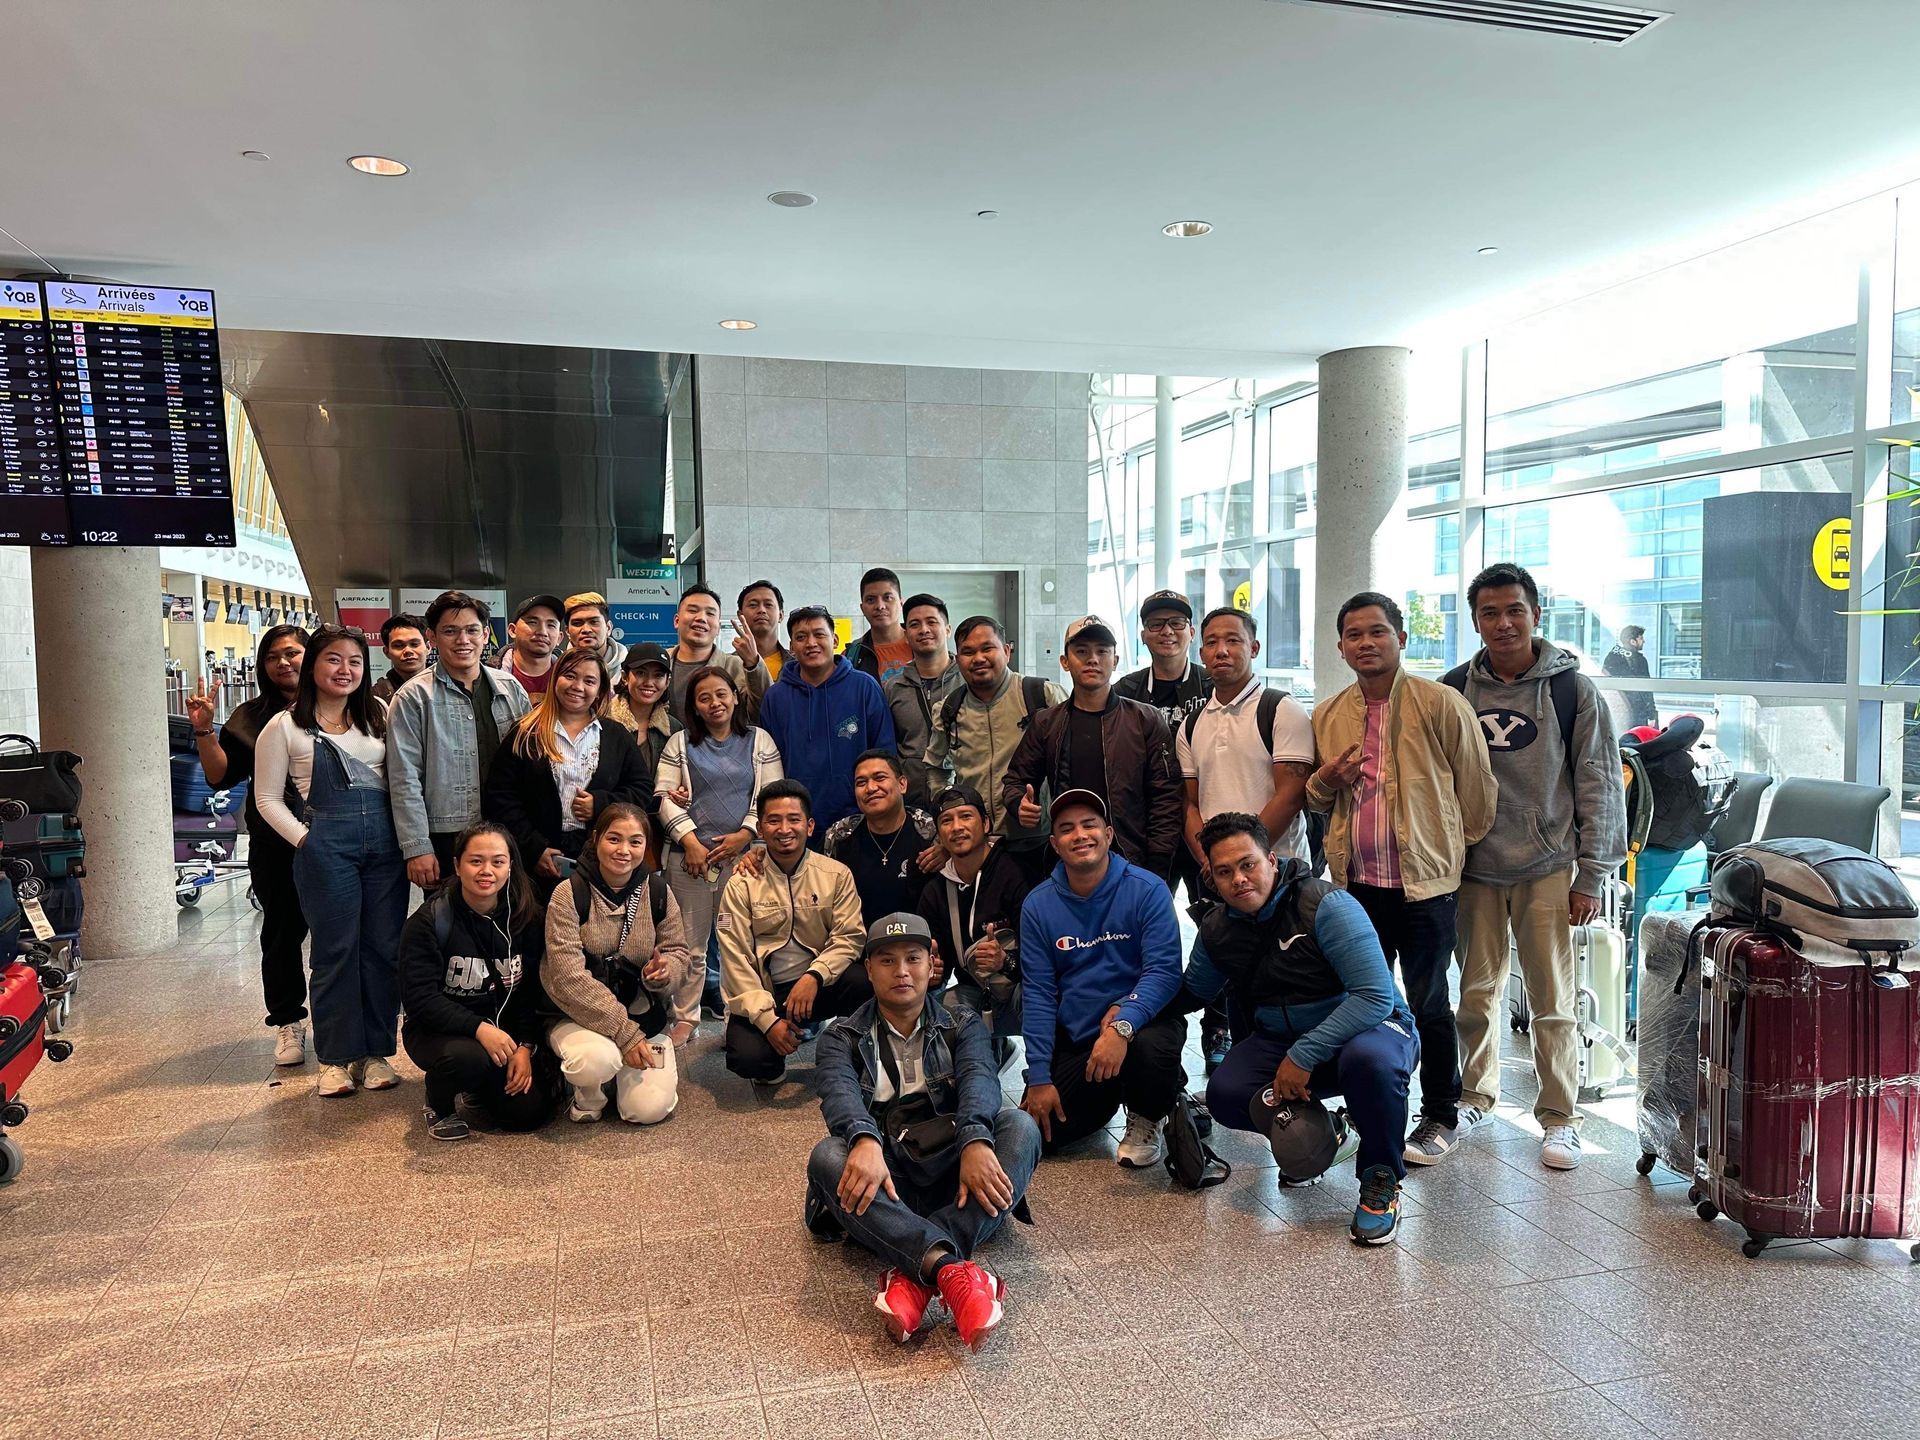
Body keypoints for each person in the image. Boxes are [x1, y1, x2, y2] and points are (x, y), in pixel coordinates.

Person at [1448, 563, 1627, 1171]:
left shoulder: (1574, 692)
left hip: (1547, 865)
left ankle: (1560, 1117)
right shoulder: (1453, 691)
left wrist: (1592, 875)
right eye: (1490, 613)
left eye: (1514, 610)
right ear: (1475, 622)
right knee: (1475, 994)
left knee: (1553, 1001)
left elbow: (1601, 784)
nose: (1503, 623)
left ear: (1535, 615)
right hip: (1472, 870)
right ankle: (1476, 1097)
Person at [1307, 592, 1496, 1166]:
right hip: (1357, 886)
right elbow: (1317, 798)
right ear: (1341, 647)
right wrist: (1325, 779)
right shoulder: (1331, 713)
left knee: (1429, 999)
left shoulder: (1441, 703)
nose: (1366, 643)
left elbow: (1478, 793)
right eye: (1354, 635)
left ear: (1402, 638)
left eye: (1378, 632)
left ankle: (1440, 1113)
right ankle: (1369, 1107)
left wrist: (1444, 848)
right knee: (1361, 998)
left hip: (1424, 889)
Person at [806, 912, 1040, 1350]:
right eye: (887, 961)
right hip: (887, 1177)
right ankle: (952, 1271)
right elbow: (839, 1095)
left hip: (954, 1167)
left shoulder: (962, 1022)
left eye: (913, 958)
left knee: (1020, 1127)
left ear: (931, 964)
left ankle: (917, 1268)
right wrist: (864, 1138)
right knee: (827, 1157)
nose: (901, 972)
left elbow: (980, 1079)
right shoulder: (841, 1036)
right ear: (869, 969)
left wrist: (974, 1139)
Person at [1186, 812, 1419, 1245]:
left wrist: (1303, 1054)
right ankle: (1325, 1132)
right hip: (1285, 1040)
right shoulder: (1217, 930)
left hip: (1371, 1029)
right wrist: (1127, 1014)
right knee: (1226, 1093)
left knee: (1372, 1064)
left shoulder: (1327, 906)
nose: (1238, 879)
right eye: (1224, 872)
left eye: (1247, 864)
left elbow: (1373, 997)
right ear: (1212, 879)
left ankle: (1380, 1180)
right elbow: (1189, 993)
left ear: (1272, 860)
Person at [254, 624, 410, 1099]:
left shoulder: (379, 715)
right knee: (334, 951)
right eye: (334, 660)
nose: (346, 670)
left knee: (382, 949)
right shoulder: (283, 726)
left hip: (386, 851)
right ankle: (336, 1059)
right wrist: (306, 841)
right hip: (326, 851)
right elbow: (266, 800)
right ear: (313, 667)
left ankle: (377, 1053)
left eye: (355, 662)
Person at [1017, 789, 1186, 1167]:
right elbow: (1040, 994)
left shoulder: (1148, 890)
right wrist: (1041, 1076)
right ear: (1055, 844)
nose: (1080, 835)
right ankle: (1116, 1087)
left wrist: (1123, 1024)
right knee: (1045, 1135)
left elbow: (1164, 971)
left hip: (1142, 1022)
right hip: (1079, 1034)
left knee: (1152, 1049)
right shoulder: (1038, 905)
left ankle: (1149, 1110)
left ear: (1108, 835)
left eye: (1089, 825)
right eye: (1067, 829)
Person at [188, 624, 311, 1065]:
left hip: (337, 839)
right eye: (274, 656)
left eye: (293, 653)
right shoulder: (251, 716)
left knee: (343, 937)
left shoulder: (338, 706)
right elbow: (221, 775)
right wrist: (203, 731)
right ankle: (287, 1022)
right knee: (281, 933)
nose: (284, 662)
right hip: (276, 841)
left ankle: (347, 1027)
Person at [398, 822, 556, 1139]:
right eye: (475, 861)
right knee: (467, 1059)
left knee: (527, 1114)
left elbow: (530, 991)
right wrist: (479, 1029)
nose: (487, 871)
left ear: (511, 866)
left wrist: (525, 1046)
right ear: (457, 865)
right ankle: (439, 1103)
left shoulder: (526, 918)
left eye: (498, 861)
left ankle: (480, 1086)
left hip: (505, 1036)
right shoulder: (429, 922)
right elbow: (420, 1000)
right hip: (440, 1032)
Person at [655, 664, 784, 1044]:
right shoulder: (679, 743)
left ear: (735, 696)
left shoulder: (759, 740)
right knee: (690, 944)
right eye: (704, 698)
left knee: (738, 943)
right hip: (689, 861)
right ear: (693, 706)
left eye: (721, 694)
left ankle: (738, 1014)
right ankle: (685, 1017)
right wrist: (690, 841)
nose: (714, 703)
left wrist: (745, 835)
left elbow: (771, 796)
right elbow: (662, 797)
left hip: (742, 858)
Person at [542, 803, 693, 1124]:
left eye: (635, 842)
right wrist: (625, 1034)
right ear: (596, 839)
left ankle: (624, 1072)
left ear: (646, 847)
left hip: (640, 1011)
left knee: (646, 1110)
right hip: (577, 1013)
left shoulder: (658, 891)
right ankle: (589, 1094)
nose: (624, 850)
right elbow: (568, 977)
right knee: (594, 1060)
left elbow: (679, 953)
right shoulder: (568, 894)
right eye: (614, 839)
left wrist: (664, 973)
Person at [1002, 615, 1182, 882]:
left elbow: (1165, 797)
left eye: (1102, 651)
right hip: (1068, 858)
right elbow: (1015, 779)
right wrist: (1019, 803)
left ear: (1115, 660)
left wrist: (1157, 867)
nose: (1093, 659)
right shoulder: (1046, 723)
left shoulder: (1145, 719)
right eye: (1081, 652)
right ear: (1065, 661)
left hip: (1133, 859)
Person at [717, 779, 870, 1083]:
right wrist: (767, 1020)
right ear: (760, 829)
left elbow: (849, 936)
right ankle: (776, 1047)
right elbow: (735, 960)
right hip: (768, 992)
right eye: (773, 820)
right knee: (749, 1059)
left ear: (809, 826)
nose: (784, 828)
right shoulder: (742, 883)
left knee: (866, 982)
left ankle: (851, 1048)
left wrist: (815, 975)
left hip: (820, 984)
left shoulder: (835, 875)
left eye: (793, 819)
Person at [386, 591, 532, 887]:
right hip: (447, 835)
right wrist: (417, 847)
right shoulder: (413, 697)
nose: (462, 640)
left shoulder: (510, 689)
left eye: (471, 630)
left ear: (486, 633)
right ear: (432, 637)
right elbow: (404, 778)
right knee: (450, 923)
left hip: (508, 828)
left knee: (511, 916)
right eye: (450, 631)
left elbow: (531, 762)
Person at [483, 647, 652, 900]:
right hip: (536, 863)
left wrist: (601, 804)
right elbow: (500, 797)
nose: (578, 686)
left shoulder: (616, 736)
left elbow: (642, 790)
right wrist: (534, 848)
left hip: (600, 860)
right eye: (570, 676)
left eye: (589, 681)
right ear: (555, 679)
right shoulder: (526, 733)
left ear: (600, 690)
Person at [1177, 607, 1316, 865]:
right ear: (1201, 654)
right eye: (1211, 642)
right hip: (1220, 872)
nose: (1221, 650)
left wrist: (1240, 858)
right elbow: (1190, 805)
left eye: (1233, 640)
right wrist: (1211, 862)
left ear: (1254, 648)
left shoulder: (1281, 709)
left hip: (1280, 872)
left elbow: (1291, 796)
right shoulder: (1190, 725)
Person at [925, 616, 1064, 872]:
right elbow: (936, 769)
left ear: (1007, 651)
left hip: (1040, 840)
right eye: (968, 652)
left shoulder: (1042, 696)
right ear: (958, 660)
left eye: (987, 648)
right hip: (978, 845)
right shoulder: (948, 710)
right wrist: (949, 817)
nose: (978, 658)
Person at [757, 606, 897, 837]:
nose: (811, 643)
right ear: (791, 647)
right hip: (797, 824)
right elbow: (769, 764)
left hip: (859, 819)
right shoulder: (776, 697)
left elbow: (884, 753)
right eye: (801, 637)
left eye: (819, 635)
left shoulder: (864, 687)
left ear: (834, 640)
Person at [916, 785, 1030, 1053]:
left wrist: (1006, 961)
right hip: (974, 993)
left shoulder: (1016, 875)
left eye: (966, 816)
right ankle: (990, 1057)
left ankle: (1040, 1079)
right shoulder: (935, 890)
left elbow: (1045, 960)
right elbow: (935, 960)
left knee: (1041, 998)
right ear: (939, 833)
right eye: (946, 820)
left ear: (986, 823)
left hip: (1021, 989)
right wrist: (933, 974)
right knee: (934, 1020)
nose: (957, 827)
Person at [823, 750, 940, 925]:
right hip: (858, 945)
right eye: (861, 782)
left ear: (902, 784)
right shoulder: (839, 836)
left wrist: (949, 853)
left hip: (921, 943)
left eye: (879, 778)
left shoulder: (931, 831)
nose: (870, 788)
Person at [885, 593, 963, 809]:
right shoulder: (894, 687)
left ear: (947, 630)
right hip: (911, 802)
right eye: (914, 624)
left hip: (964, 799)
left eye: (932, 622)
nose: (924, 630)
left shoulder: (968, 681)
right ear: (907, 635)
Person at [663, 584, 771, 725]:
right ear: (676, 621)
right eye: (693, 610)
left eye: (710, 613)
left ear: (718, 627)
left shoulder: (736, 666)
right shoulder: (659, 663)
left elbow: (764, 711)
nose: (701, 618)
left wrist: (754, 664)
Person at [605, 642, 679, 798]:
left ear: (667, 682)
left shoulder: (674, 729)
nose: (649, 682)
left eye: (658, 675)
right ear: (625, 677)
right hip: (611, 815)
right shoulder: (604, 721)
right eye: (640, 673)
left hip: (659, 817)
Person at [844, 566, 914, 684]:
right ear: (862, 608)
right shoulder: (850, 657)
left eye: (888, 598)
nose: (880, 606)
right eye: (871, 600)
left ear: (901, 603)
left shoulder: (920, 643)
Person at [504, 593, 566, 698]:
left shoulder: (572, 677)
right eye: (533, 622)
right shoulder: (489, 678)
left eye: (551, 625)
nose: (542, 632)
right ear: (512, 630)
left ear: (559, 638)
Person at [1603, 624, 1657, 729]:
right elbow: (1646, 688)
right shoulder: (1639, 660)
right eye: (1641, 638)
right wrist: (1651, 714)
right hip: (1636, 711)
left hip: (1616, 710)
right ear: (1632, 641)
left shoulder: (1611, 657)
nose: (1644, 641)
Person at [562, 591, 628, 679]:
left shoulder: (630, 669)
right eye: (577, 623)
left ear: (608, 628)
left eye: (594, 622)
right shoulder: (558, 668)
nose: (586, 630)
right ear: (567, 632)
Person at [738, 580, 791, 684]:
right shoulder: (728, 665)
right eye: (753, 605)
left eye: (768, 605)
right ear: (740, 615)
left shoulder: (798, 665)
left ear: (780, 615)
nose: (761, 610)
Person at [372, 614, 429, 705]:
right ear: (386, 652)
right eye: (398, 646)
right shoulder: (376, 696)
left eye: (414, 644)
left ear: (428, 647)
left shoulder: (446, 688)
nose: (408, 651)